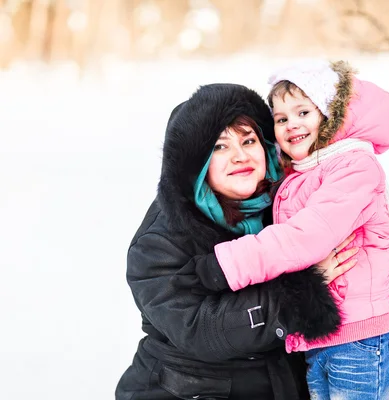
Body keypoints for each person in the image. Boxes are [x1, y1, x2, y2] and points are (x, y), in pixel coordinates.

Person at [206, 61, 389, 399]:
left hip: (357, 339)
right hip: (319, 336)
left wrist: (230, 264)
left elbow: (309, 235)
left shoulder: (352, 165)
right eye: (281, 118)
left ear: (328, 115)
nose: (292, 125)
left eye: (304, 111)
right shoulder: (297, 173)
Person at [115, 83, 358, 400]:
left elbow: (354, 244)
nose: (240, 156)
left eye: (248, 141)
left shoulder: (285, 203)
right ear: (194, 164)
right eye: (219, 147)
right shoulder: (160, 241)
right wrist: (303, 291)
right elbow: (200, 329)